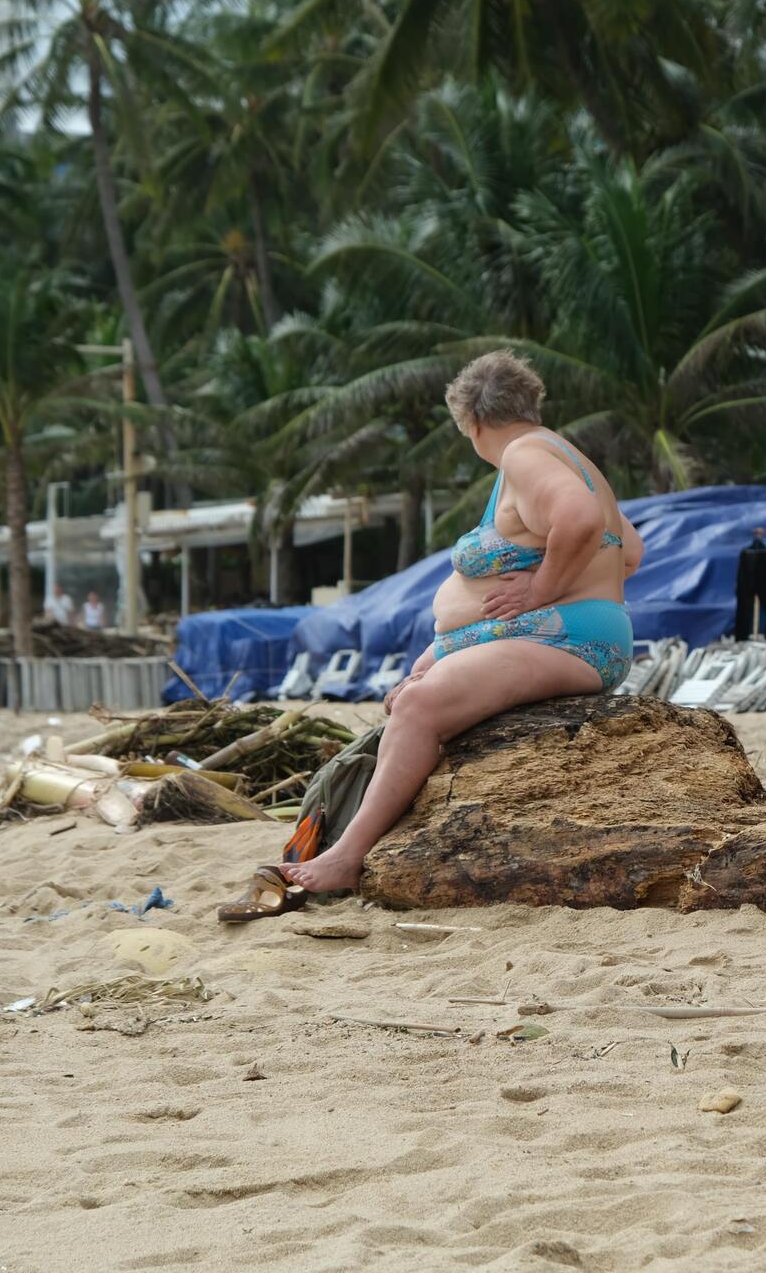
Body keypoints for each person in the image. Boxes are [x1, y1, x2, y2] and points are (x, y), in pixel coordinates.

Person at [223, 350, 641, 911]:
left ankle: (347, 855)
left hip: (571, 638)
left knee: (419, 707)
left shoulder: (523, 454)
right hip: (568, 631)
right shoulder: (564, 455)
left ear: (470, 421)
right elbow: (629, 552)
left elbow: (582, 522)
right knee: (412, 697)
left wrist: (541, 591)